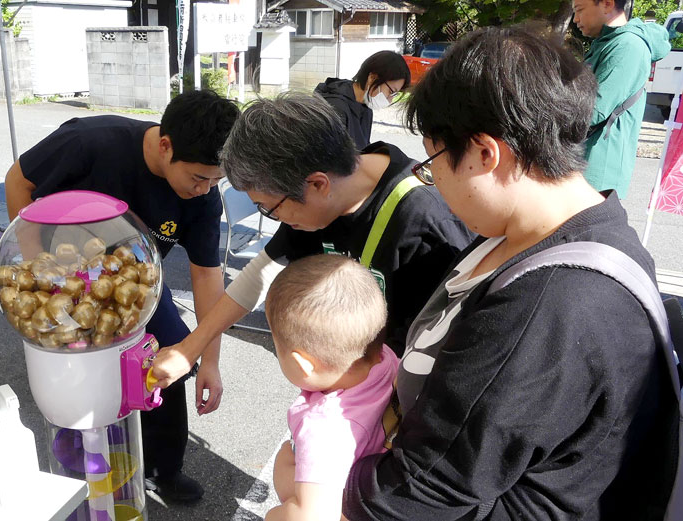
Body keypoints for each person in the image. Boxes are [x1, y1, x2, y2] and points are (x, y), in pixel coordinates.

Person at [342, 25, 677, 520]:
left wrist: (323, 485)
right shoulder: (576, 229)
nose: (435, 184)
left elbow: (428, 486)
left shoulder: (552, 301)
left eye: (434, 163)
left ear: (484, 152)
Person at [4, 89, 240, 503]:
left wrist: (210, 360)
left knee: (171, 359)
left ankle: (165, 469)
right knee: (78, 360)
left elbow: (206, 276)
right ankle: (77, 459)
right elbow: (18, 180)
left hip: (136, 284)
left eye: (215, 180)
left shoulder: (202, 199)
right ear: (166, 146)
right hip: (65, 273)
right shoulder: (91, 141)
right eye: (199, 177)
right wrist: (37, 270)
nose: (205, 189)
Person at [151, 92, 474, 388]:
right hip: (357, 387)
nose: (275, 219)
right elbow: (261, 272)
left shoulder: (427, 225)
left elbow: (453, 349)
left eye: (271, 208)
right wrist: (189, 349)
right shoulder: (320, 195)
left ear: (317, 185)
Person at [264, 254, 399, 521]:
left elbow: (313, 516)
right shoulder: (386, 358)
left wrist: (274, 515)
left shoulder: (325, 428)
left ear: (303, 365)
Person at [573, 0, 670, 198]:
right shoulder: (608, 42)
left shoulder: (627, 46)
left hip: (597, 171)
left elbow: (594, 110)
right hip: (583, 163)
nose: (575, 19)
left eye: (579, 10)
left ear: (607, 4)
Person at [314, 51, 410, 149]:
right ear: (372, 78)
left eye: (395, 94)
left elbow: (363, 148)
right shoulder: (336, 107)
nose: (390, 100)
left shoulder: (366, 106)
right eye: (391, 91)